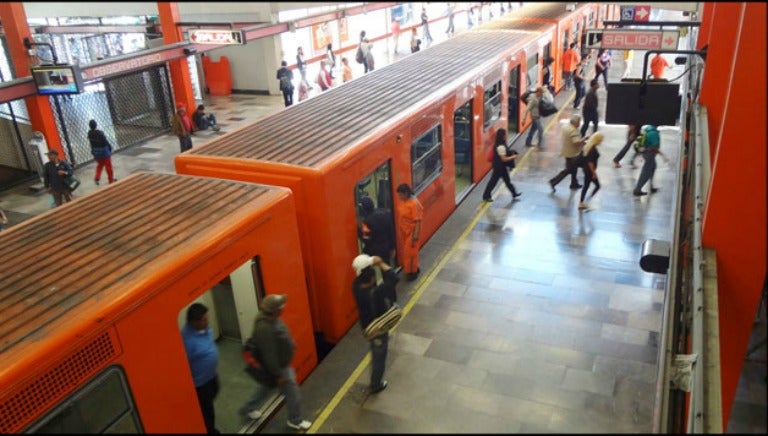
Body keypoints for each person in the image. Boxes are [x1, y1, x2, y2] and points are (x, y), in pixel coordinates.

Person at [238, 294, 312, 431]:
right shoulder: (265, 328)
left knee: (266, 388)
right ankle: (295, 420)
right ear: (275, 311)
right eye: (281, 306)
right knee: (292, 392)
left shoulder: (272, 319)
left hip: (281, 365)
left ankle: (248, 408)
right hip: (279, 367)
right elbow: (269, 354)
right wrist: (278, 374)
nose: (284, 308)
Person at [351, 254, 398, 395]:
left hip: (367, 327)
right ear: (371, 278)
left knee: (375, 349)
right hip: (378, 329)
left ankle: (375, 380)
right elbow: (394, 278)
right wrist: (381, 263)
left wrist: (370, 262)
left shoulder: (355, 287)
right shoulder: (377, 292)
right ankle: (375, 384)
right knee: (379, 355)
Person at [181, 303, 220, 434]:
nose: (207, 321)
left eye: (206, 317)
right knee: (207, 411)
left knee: (209, 405)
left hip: (211, 377)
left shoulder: (205, 328)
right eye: (203, 319)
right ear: (193, 322)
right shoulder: (186, 341)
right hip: (201, 385)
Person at [549, 114, 587, 192]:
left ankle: (574, 183)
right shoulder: (573, 130)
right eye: (579, 121)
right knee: (569, 170)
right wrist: (584, 139)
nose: (580, 123)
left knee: (574, 169)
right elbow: (576, 142)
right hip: (573, 153)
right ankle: (553, 181)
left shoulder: (567, 127)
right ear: (576, 122)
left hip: (567, 151)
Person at [482, 128, 521, 202]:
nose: (506, 136)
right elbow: (504, 159)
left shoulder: (501, 144)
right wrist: (513, 156)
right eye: (505, 134)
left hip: (501, 166)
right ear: (502, 136)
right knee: (493, 182)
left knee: (507, 181)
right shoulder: (500, 147)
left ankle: (514, 193)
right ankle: (486, 196)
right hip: (499, 167)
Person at [395, 183, 423, 281]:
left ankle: (412, 272)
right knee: (408, 252)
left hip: (412, 233)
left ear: (406, 193)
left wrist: (415, 235)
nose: (399, 197)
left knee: (410, 254)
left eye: (400, 195)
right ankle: (412, 269)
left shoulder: (414, 204)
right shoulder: (404, 201)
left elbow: (418, 220)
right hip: (405, 231)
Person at [359, 196, 396, 265]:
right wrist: (392, 247)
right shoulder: (385, 213)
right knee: (386, 267)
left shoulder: (366, 221)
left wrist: (359, 233)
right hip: (386, 247)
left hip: (374, 250)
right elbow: (391, 232)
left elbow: (366, 239)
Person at [577, 131, 603, 210]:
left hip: (586, 169)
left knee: (587, 186)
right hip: (589, 171)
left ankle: (583, 202)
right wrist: (594, 173)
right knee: (596, 186)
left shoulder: (588, 145)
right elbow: (590, 163)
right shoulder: (593, 149)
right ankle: (583, 202)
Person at [633, 125, 662, 196]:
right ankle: (637, 190)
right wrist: (660, 153)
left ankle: (651, 186)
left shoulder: (648, 129)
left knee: (653, 167)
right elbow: (654, 146)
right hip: (650, 154)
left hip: (646, 152)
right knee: (646, 172)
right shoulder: (654, 133)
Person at [87, 119, 115, 185]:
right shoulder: (100, 133)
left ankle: (97, 177)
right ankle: (111, 179)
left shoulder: (89, 133)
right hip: (104, 151)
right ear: (96, 125)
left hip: (96, 151)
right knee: (108, 166)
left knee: (100, 164)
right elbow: (105, 141)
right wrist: (109, 147)